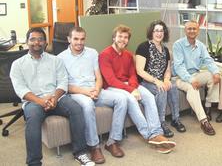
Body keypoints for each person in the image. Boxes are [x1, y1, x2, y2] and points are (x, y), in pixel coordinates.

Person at [10, 27, 94, 166]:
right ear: (26, 42)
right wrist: (41, 101)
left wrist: (54, 98)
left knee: (76, 109)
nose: (37, 42)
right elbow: (21, 90)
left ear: (45, 42)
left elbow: (63, 82)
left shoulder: (56, 60)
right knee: (32, 117)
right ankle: (34, 162)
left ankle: (80, 152)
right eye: (33, 39)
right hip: (33, 102)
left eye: (40, 39)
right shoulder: (17, 65)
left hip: (57, 98)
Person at [99, 25, 176, 154]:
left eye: (126, 38)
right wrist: (131, 90)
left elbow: (133, 75)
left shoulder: (129, 55)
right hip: (112, 87)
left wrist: (134, 87)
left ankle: (157, 133)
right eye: (120, 37)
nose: (123, 40)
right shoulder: (104, 55)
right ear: (114, 38)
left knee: (149, 97)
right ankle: (150, 136)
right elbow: (111, 80)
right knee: (131, 99)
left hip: (129, 85)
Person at [58, 27, 128, 163]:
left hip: (95, 90)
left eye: (82, 39)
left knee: (121, 99)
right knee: (88, 104)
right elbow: (64, 86)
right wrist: (85, 92)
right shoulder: (61, 58)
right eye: (76, 39)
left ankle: (112, 142)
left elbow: (98, 76)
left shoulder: (92, 53)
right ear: (69, 39)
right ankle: (94, 147)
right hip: (77, 93)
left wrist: (96, 89)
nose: (79, 42)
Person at [136, 20, 186, 138]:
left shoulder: (165, 50)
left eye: (161, 31)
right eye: (156, 31)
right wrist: (157, 81)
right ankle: (161, 122)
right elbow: (140, 71)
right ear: (151, 33)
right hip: (146, 82)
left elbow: (167, 70)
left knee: (173, 86)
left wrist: (167, 79)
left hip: (160, 80)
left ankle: (175, 118)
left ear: (164, 33)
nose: (159, 33)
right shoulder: (143, 47)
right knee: (162, 89)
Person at [172, 20, 220, 135]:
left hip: (196, 74)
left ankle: (208, 106)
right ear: (185, 30)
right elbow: (179, 67)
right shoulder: (178, 45)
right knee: (192, 88)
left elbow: (208, 60)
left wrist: (216, 72)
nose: (192, 31)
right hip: (180, 77)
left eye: (194, 29)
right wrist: (191, 80)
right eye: (189, 29)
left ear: (198, 31)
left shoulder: (201, 45)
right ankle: (204, 121)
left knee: (212, 76)